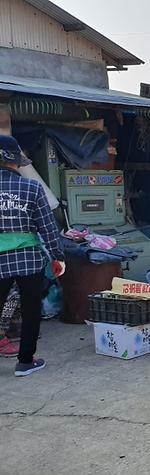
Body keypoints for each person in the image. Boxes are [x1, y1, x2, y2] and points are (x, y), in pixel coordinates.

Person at [0, 135, 65, 376]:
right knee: (30, 310)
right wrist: (58, 256)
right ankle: (25, 362)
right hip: (28, 260)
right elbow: (48, 228)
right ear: (15, 162)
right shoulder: (32, 187)